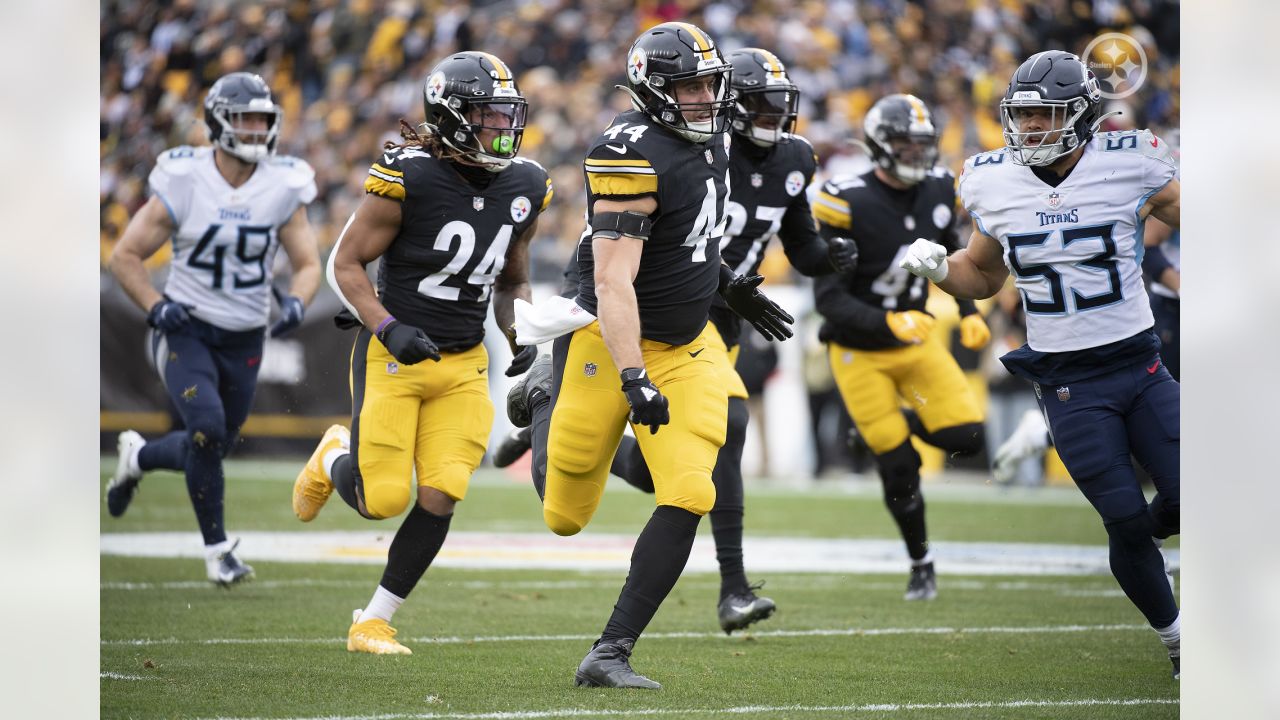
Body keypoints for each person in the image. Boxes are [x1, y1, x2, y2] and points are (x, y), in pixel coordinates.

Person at [492, 47, 856, 634]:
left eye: (713, 86)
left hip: (697, 318)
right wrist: (633, 375)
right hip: (616, 311)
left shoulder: (733, 145)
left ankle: (712, 598)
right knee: (563, 513)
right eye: (692, 88)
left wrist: (740, 284)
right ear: (655, 90)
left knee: (703, 464)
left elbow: (700, 237)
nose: (710, 100)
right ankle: (545, 402)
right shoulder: (633, 150)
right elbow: (615, 275)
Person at [899, 50, 1181, 679]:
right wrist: (941, 267)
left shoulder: (1129, 163)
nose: (1028, 129)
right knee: (1123, 519)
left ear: (1081, 116)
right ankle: (1179, 641)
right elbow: (980, 274)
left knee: (1194, 494)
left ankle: (1151, 541)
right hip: (1068, 384)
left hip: (1140, 364)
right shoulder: (992, 180)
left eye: (1043, 116)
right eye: (1021, 116)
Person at [290, 51, 548, 655]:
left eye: (507, 115)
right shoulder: (409, 178)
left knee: (441, 494)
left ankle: (374, 620)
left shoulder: (527, 184)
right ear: (454, 118)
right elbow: (343, 263)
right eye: (488, 115)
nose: (502, 128)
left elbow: (512, 280)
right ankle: (333, 456)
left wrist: (518, 331)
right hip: (394, 357)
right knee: (382, 500)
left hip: (462, 364)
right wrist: (385, 325)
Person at [105, 72, 321, 586]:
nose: (255, 130)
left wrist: (296, 302)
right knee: (206, 428)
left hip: (245, 334)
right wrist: (157, 307)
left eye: (262, 120)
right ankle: (218, 551)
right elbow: (126, 256)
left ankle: (138, 457)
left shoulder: (282, 183)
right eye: (245, 118)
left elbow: (308, 263)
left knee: (212, 446)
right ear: (218, 122)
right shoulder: (185, 177)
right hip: (187, 327)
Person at [811, 94, 991, 602]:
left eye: (924, 144)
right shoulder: (845, 198)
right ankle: (921, 562)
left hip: (916, 339)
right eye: (906, 144)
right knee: (899, 467)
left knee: (967, 437)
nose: (917, 154)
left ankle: (888, 430)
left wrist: (972, 311)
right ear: (879, 146)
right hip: (858, 349)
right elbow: (828, 300)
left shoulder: (938, 187)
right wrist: (889, 321)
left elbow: (947, 257)